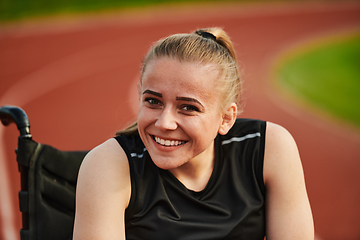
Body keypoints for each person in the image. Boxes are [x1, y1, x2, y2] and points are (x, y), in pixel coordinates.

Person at [73, 28, 314, 240]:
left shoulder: (267, 147)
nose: (165, 122)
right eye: (153, 101)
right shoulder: (109, 165)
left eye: (188, 107)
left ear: (226, 118)